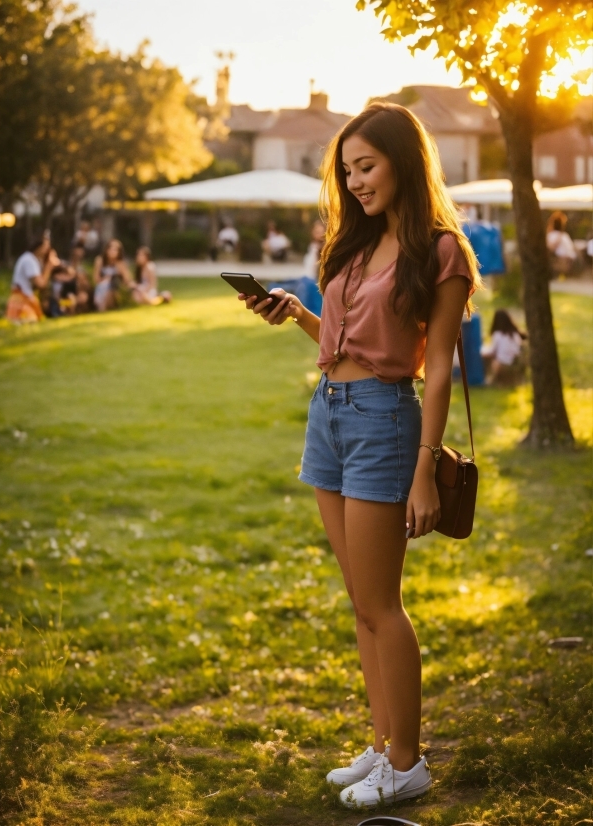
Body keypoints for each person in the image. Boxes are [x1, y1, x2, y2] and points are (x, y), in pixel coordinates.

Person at [237, 102, 480, 808]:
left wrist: (423, 468)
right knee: (360, 603)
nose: (356, 181)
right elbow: (343, 345)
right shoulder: (353, 242)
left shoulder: (441, 252)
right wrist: (298, 313)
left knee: (382, 603)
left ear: (405, 162)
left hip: (384, 422)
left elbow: (434, 367)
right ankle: (381, 747)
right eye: (347, 170)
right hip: (329, 415)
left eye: (366, 167)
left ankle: (407, 763)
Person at [6, 234, 59, 322]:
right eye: (46, 246)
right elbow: (41, 284)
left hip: (24, 297)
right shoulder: (29, 260)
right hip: (22, 299)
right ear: (39, 247)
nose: (47, 249)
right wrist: (49, 266)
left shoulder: (32, 259)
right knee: (32, 320)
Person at [481, 309, 527, 386]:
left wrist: (481, 352)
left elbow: (492, 351)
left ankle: (488, 380)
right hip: (515, 363)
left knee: (486, 358)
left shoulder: (497, 334)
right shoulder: (515, 334)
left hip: (502, 364)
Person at [93, 239, 132, 312]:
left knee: (112, 287)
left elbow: (127, 280)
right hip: (101, 288)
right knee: (105, 285)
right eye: (110, 249)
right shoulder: (100, 261)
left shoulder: (120, 264)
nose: (112, 252)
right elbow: (96, 279)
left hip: (115, 290)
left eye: (115, 250)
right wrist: (105, 279)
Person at [546, 212, 577, 276]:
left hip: (562, 259)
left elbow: (550, 248)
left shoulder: (552, 235)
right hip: (572, 258)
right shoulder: (565, 235)